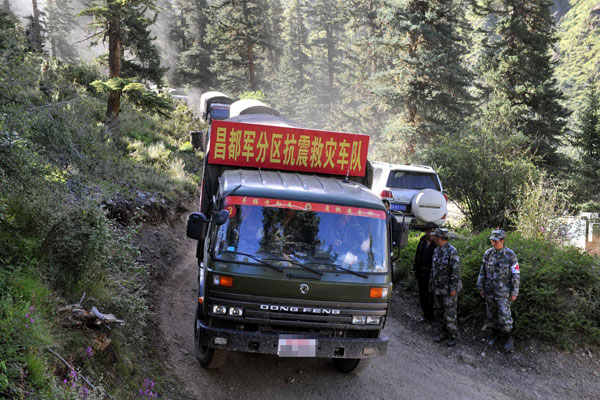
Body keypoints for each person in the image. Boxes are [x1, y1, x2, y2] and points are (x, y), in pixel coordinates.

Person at [477, 229, 520, 353]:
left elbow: (516, 274)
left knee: (505, 317)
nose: (493, 243)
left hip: (503, 293)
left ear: (502, 241)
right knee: (491, 315)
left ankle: (508, 339)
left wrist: (514, 292)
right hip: (490, 291)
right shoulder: (488, 254)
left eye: (495, 241)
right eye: (491, 240)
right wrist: (481, 287)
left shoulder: (510, 255)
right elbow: (482, 271)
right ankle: (494, 335)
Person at [429, 228, 461, 347]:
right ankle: (443, 333)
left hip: (448, 289)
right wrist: (431, 284)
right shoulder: (437, 250)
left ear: (440, 238)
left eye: (435, 237)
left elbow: (455, 272)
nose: (434, 238)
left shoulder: (452, 251)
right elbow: (434, 269)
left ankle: (453, 335)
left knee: (449, 313)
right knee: (438, 311)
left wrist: (453, 288)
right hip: (438, 287)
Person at [412, 222, 438, 322]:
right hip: (420, 272)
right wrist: (415, 268)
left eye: (433, 232)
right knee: (422, 295)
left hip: (430, 273)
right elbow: (418, 254)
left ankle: (432, 317)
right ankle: (425, 315)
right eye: (429, 232)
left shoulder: (436, 244)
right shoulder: (422, 241)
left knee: (430, 295)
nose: (431, 234)